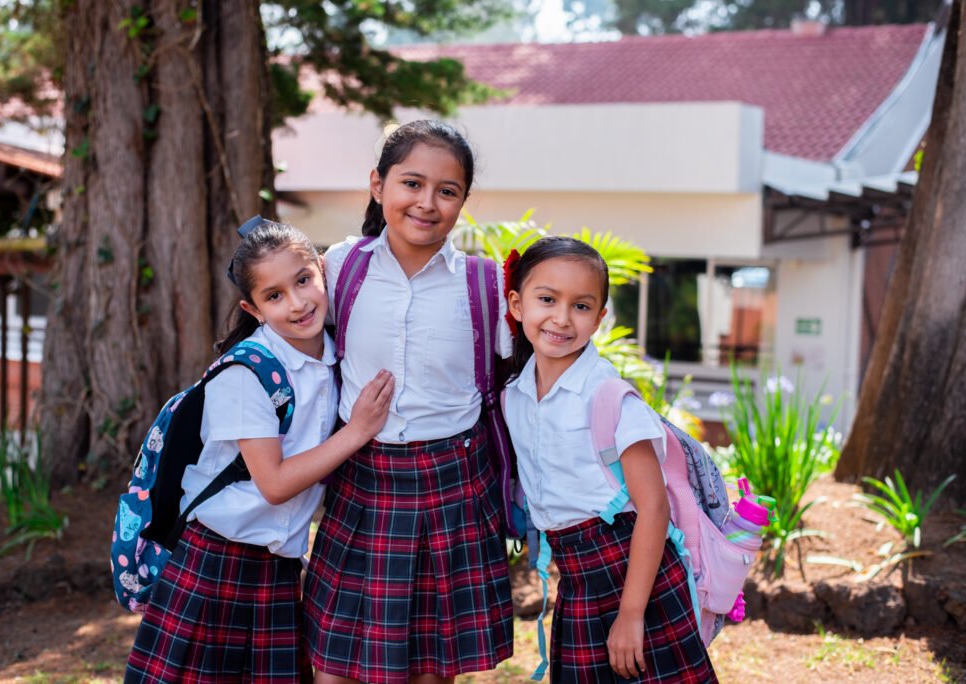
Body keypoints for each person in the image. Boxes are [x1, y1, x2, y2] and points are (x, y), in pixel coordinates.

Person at [125, 219, 394, 683]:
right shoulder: (245, 374)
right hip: (216, 563)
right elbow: (272, 484)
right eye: (274, 296)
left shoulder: (335, 354)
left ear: (322, 272)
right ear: (253, 308)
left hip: (278, 568)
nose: (298, 303)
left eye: (304, 280)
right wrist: (357, 431)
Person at [303, 120, 514, 684]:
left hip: (454, 486)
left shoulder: (486, 283)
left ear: (463, 201)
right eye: (411, 184)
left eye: (447, 191)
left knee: (431, 669)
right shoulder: (340, 267)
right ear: (378, 186)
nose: (427, 203)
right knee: (334, 668)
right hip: (362, 483)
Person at [503, 236, 717, 683]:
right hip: (577, 576)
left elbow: (653, 508)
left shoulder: (610, 397)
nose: (561, 318)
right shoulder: (515, 395)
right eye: (547, 299)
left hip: (636, 573)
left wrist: (632, 613)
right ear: (517, 304)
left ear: (599, 318)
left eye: (581, 306)